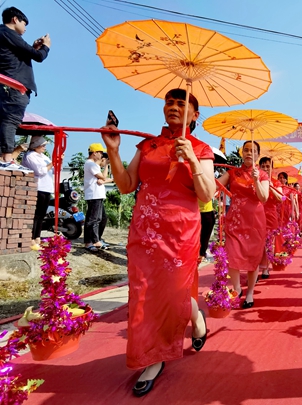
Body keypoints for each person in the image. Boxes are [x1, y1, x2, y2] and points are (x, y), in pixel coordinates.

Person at [101, 88, 215, 397]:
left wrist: (192, 159)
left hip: (181, 232)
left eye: (181, 103)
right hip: (145, 231)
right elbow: (126, 185)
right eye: (169, 102)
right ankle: (154, 356)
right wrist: (113, 151)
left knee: (175, 292)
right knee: (144, 295)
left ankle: (189, 325)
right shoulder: (148, 146)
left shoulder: (202, 149)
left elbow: (206, 194)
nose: (173, 107)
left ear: (194, 115)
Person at [217, 141, 269, 309]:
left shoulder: (262, 175)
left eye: (253, 151)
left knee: (253, 257)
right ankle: (237, 288)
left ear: (257, 155)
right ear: (242, 153)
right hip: (235, 220)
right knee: (232, 254)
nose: (249, 153)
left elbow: (263, 197)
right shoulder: (233, 173)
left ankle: (250, 293)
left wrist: (256, 180)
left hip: (255, 221)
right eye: (246, 150)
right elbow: (215, 185)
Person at [0, 7, 50, 170]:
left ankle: (4, 157)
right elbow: (39, 57)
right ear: (15, 19)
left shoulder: (5, 36)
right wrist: (46, 47)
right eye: (24, 23)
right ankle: (6, 158)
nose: (25, 28)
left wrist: (33, 48)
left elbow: (24, 54)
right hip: (15, 86)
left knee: (6, 120)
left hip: (9, 84)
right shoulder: (7, 33)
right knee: (10, 120)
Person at [21, 135, 54, 250]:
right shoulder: (30, 156)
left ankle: (37, 237)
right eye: (43, 145)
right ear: (36, 146)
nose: (44, 147)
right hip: (38, 187)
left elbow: (53, 170)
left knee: (41, 215)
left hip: (47, 187)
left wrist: (58, 161)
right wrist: (53, 163)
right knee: (35, 214)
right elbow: (41, 171)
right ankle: (31, 238)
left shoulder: (44, 157)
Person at [83, 143, 112, 252]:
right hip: (94, 194)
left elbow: (102, 179)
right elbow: (103, 177)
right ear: (94, 153)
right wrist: (106, 165)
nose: (101, 155)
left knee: (98, 218)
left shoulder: (91, 164)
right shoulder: (91, 164)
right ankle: (94, 241)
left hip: (95, 194)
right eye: (100, 152)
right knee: (94, 219)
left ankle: (91, 241)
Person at [258, 156, 282, 279]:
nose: (265, 168)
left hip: (270, 216)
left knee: (268, 242)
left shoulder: (276, 182)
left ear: (272, 168)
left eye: (268, 166)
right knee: (257, 242)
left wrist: (271, 187)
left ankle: (266, 268)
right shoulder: (255, 180)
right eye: (263, 166)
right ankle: (255, 267)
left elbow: (281, 198)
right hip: (256, 215)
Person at [198, 198, 215, 263]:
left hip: (204, 210)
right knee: (204, 237)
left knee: (203, 237)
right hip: (203, 211)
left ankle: (202, 254)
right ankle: (201, 254)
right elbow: (208, 196)